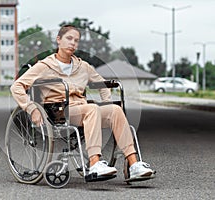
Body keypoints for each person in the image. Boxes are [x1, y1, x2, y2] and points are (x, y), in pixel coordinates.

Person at [10, 25, 154, 180]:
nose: (73, 43)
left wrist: (106, 102)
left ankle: (133, 165)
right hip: (58, 111)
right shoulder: (44, 66)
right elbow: (17, 86)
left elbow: (103, 84)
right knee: (92, 109)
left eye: (76, 40)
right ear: (58, 40)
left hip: (82, 109)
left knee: (115, 110)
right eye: (69, 38)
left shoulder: (83, 66)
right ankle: (94, 163)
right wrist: (31, 108)